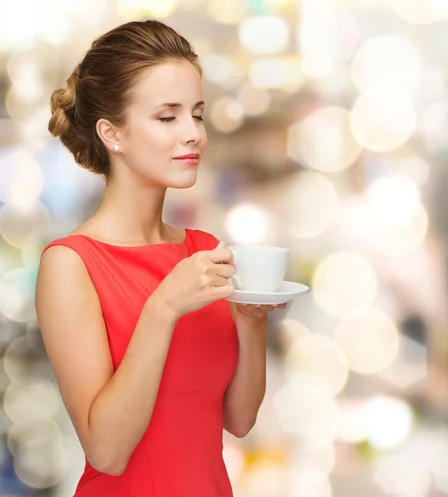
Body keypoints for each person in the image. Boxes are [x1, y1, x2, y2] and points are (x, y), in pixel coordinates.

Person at [35, 20, 285, 497]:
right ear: (112, 133)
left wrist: (253, 321)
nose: (192, 134)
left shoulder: (202, 249)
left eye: (198, 114)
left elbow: (238, 419)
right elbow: (107, 452)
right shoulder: (70, 264)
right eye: (167, 117)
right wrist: (162, 308)